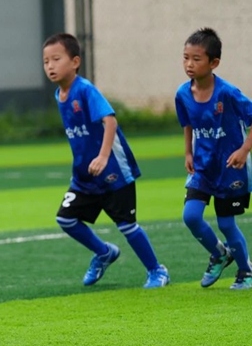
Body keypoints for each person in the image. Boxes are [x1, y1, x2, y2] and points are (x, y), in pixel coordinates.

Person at [42, 33, 170, 288]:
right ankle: (104, 253)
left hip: (113, 171)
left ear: (75, 61)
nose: (50, 66)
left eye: (56, 59)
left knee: (126, 225)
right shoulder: (60, 94)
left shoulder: (85, 89)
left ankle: (157, 270)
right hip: (84, 175)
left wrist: (102, 156)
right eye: (46, 61)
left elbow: (109, 120)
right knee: (66, 219)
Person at [176, 27, 252, 289]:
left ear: (214, 63)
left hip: (230, 169)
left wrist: (244, 150)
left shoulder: (228, 93)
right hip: (202, 167)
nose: (189, 64)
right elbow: (187, 123)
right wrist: (188, 152)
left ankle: (246, 272)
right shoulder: (182, 94)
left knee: (226, 223)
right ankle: (219, 254)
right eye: (186, 57)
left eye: (196, 59)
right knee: (191, 216)